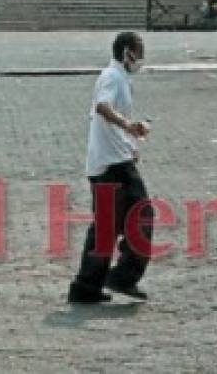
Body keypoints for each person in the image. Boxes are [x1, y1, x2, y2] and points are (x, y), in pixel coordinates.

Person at [67, 31, 154, 304]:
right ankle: (122, 277)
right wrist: (129, 127)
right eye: (139, 51)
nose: (141, 58)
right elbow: (103, 108)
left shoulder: (120, 78)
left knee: (106, 226)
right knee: (142, 215)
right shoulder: (112, 77)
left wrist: (130, 143)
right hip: (113, 166)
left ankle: (86, 286)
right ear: (127, 51)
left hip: (110, 162)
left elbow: (110, 119)